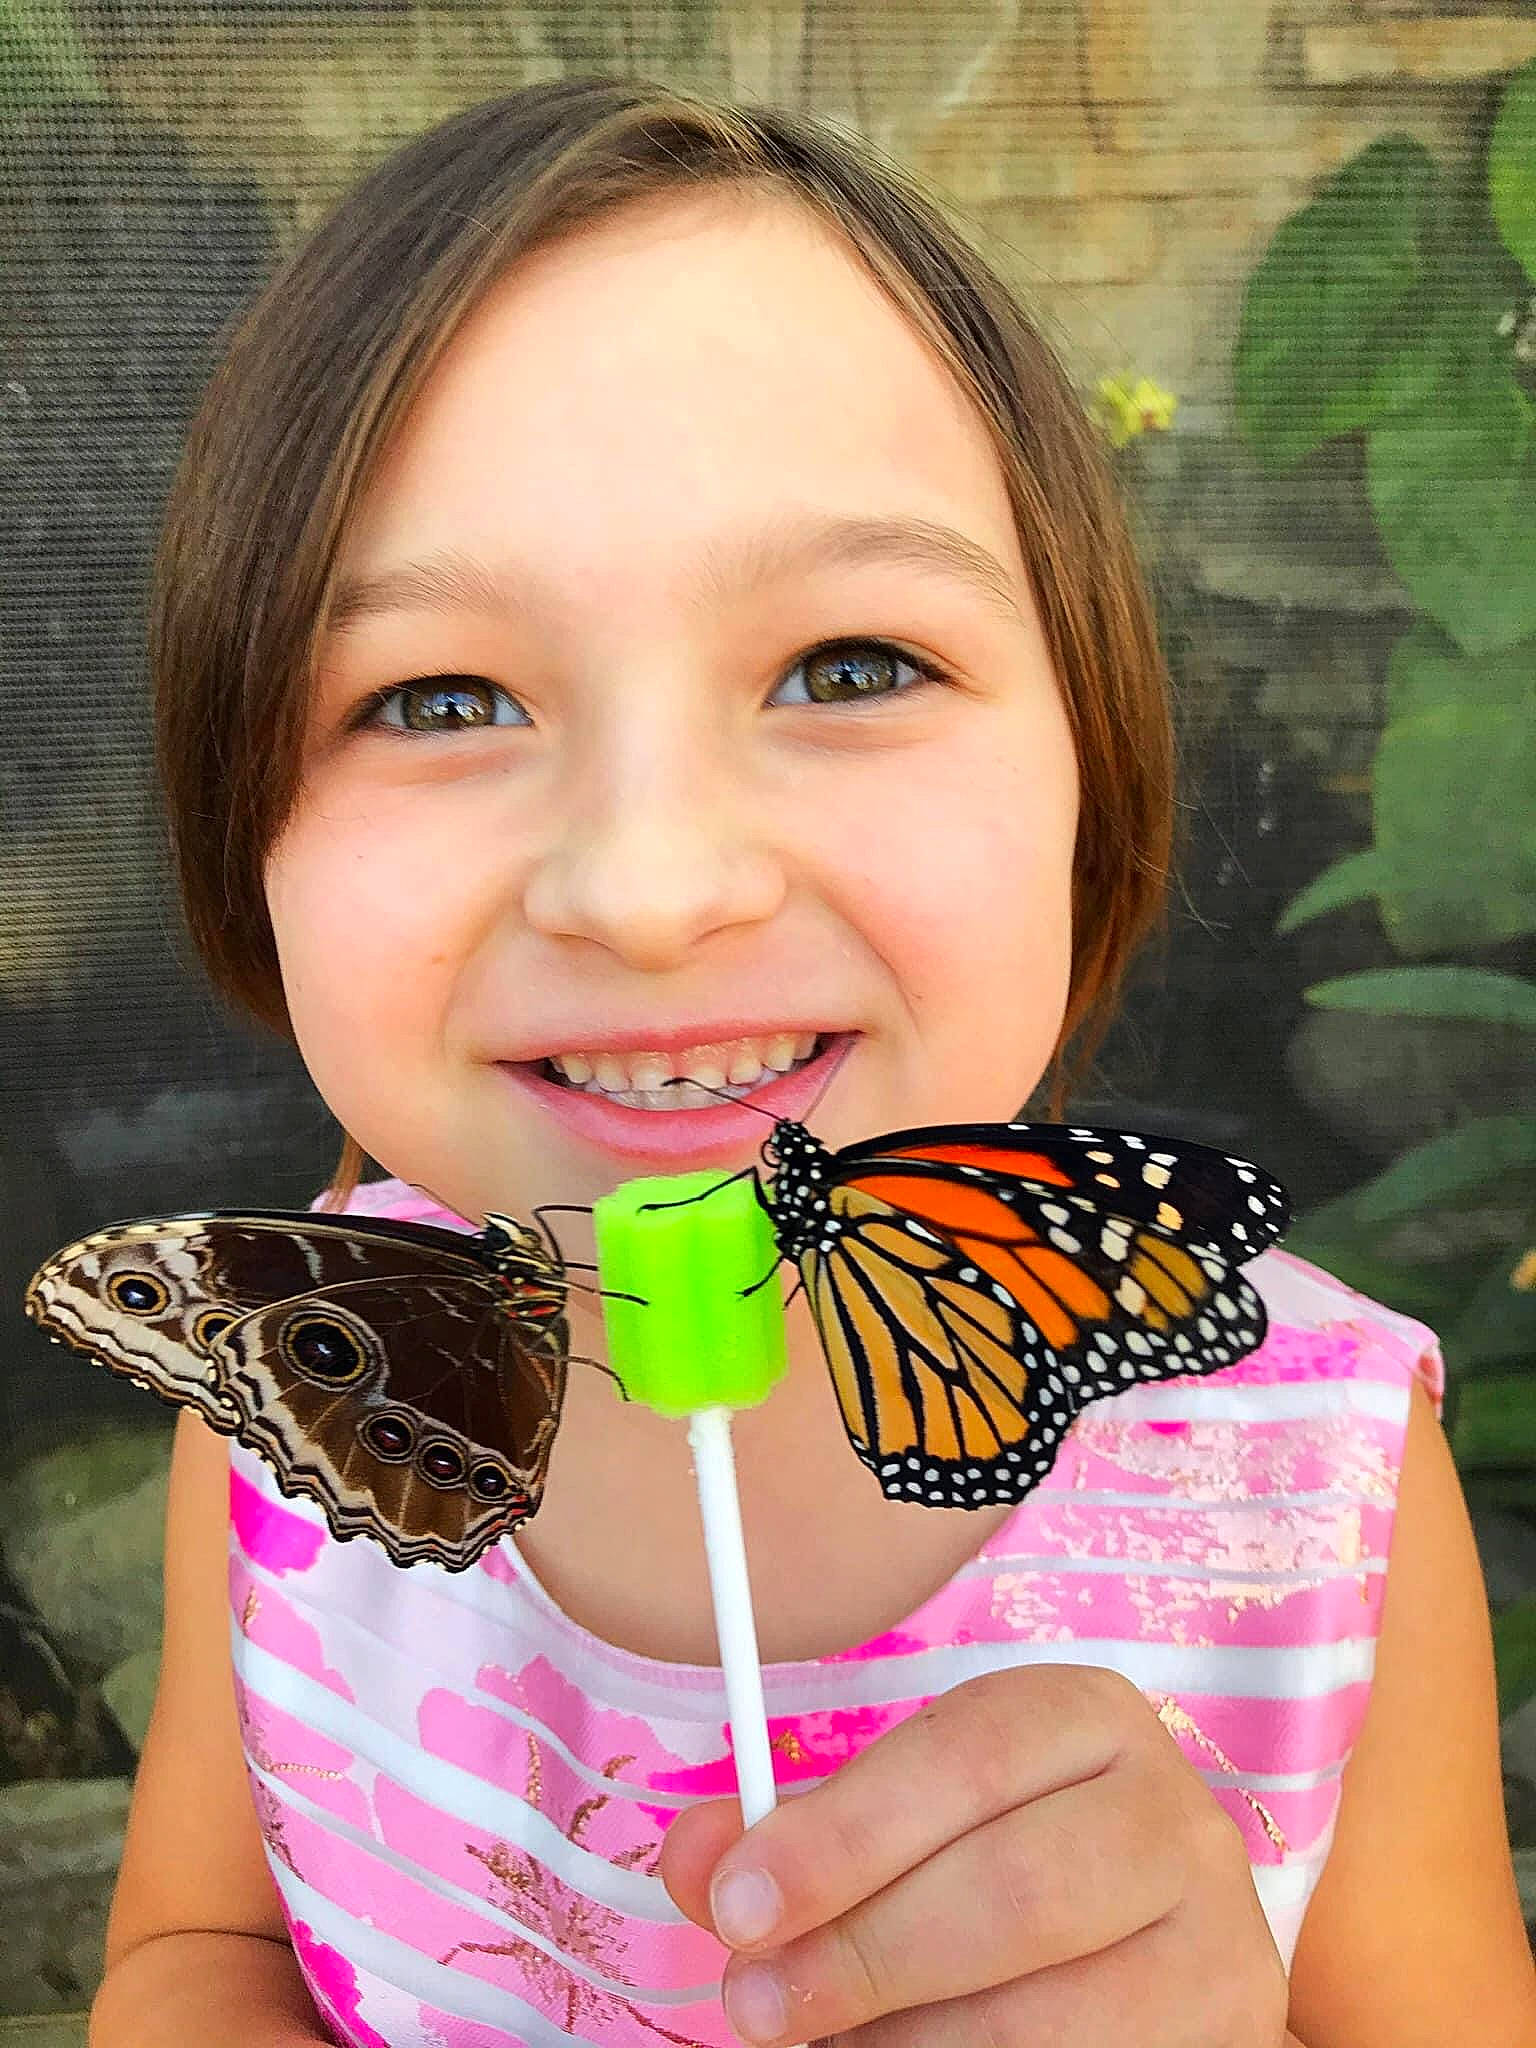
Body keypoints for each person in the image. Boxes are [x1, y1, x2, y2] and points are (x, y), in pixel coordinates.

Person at [87, 77, 1533, 2048]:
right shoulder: (318, 1385)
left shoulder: (1317, 1490)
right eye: (438, 695)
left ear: (1094, 770)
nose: (653, 888)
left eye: (848, 668)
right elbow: (199, 1959)